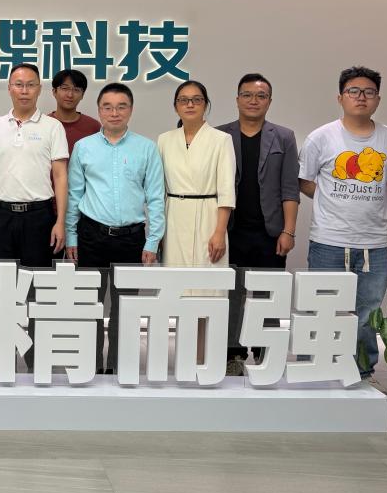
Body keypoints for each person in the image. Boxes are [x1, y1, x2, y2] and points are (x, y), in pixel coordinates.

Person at [299, 66, 387, 386]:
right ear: (340, 98)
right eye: (353, 91)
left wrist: (374, 190)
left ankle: (362, 372)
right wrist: (331, 198)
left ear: (378, 99)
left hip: (374, 243)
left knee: (366, 313)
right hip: (328, 239)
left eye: (368, 92)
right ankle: (317, 368)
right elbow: (305, 181)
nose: (361, 97)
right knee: (323, 307)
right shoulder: (321, 137)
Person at [65, 83, 164, 374]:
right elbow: (74, 195)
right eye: (107, 107)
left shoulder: (146, 148)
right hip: (91, 235)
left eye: (121, 106)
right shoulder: (84, 147)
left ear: (131, 110)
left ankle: (120, 366)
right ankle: (91, 366)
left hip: (131, 239)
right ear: (99, 110)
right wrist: (71, 236)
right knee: (89, 305)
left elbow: (156, 197)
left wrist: (153, 240)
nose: (114, 112)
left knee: (126, 308)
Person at [0, 63, 69, 369]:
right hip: (2, 215)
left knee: (37, 291)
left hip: (39, 217)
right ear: (9, 88)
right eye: (18, 84)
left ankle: (36, 359)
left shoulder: (52, 127)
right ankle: (4, 357)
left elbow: (60, 176)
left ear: (39, 89)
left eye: (30, 84)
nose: (24, 90)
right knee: (4, 289)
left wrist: (60, 221)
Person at [216, 73, 300, 375]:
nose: (254, 101)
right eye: (247, 95)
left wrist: (288, 230)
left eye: (261, 96)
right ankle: (232, 355)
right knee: (231, 295)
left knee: (269, 296)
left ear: (269, 101)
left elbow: (290, 188)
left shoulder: (284, 137)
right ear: (237, 99)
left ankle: (266, 354)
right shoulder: (221, 135)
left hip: (270, 232)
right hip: (231, 231)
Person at [157, 80, 236, 359]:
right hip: (174, 217)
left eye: (196, 99)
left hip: (208, 217)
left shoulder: (221, 140)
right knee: (177, 290)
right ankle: (182, 356)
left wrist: (219, 231)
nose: (190, 104)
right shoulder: (165, 140)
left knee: (206, 290)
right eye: (183, 99)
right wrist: (158, 232)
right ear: (175, 106)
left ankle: (204, 357)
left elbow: (226, 190)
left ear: (206, 105)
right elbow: (158, 189)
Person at [49, 69, 101, 153]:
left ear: (82, 95)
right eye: (65, 88)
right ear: (54, 92)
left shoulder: (94, 127)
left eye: (76, 90)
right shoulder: (43, 124)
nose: (70, 95)